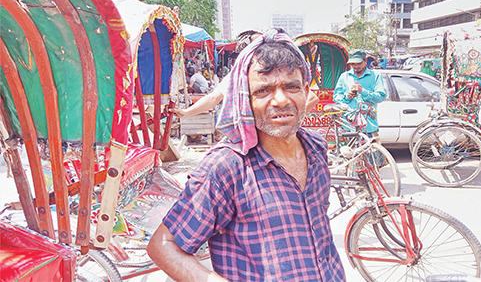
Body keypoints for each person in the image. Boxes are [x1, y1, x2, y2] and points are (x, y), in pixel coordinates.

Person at [147, 28, 345, 281]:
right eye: (263, 91)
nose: (281, 100)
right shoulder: (226, 167)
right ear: (245, 99)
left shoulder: (316, 148)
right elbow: (164, 245)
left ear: (306, 90)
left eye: (291, 86)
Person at [172, 30, 319, 118]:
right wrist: (186, 112)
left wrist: (290, 122)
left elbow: (312, 98)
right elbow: (213, 98)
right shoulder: (238, 76)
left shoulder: (285, 70)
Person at [333, 48, 386, 135]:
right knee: (348, 149)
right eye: (353, 64)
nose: (356, 66)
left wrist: (363, 91)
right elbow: (336, 98)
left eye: (359, 63)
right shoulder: (344, 77)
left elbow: (380, 97)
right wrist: (348, 96)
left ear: (365, 61)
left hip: (369, 126)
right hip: (349, 126)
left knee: (372, 148)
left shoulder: (375, 76)